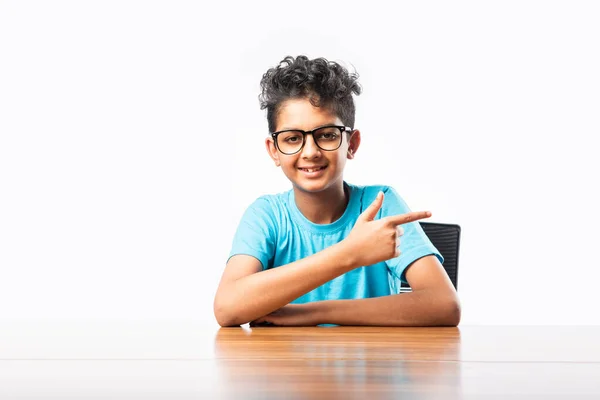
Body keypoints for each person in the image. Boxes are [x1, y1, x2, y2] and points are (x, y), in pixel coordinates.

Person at [214, 55, 460, 327]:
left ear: (351, 144)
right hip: (285, 367)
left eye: (327, 135)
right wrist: (349, 253)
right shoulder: (266, 215)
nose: (310, 152)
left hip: (369, 367)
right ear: (274, 150)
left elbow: (445, 305)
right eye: (292, 138)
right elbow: (227, 308)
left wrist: (313, 313)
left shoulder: (379, 204)